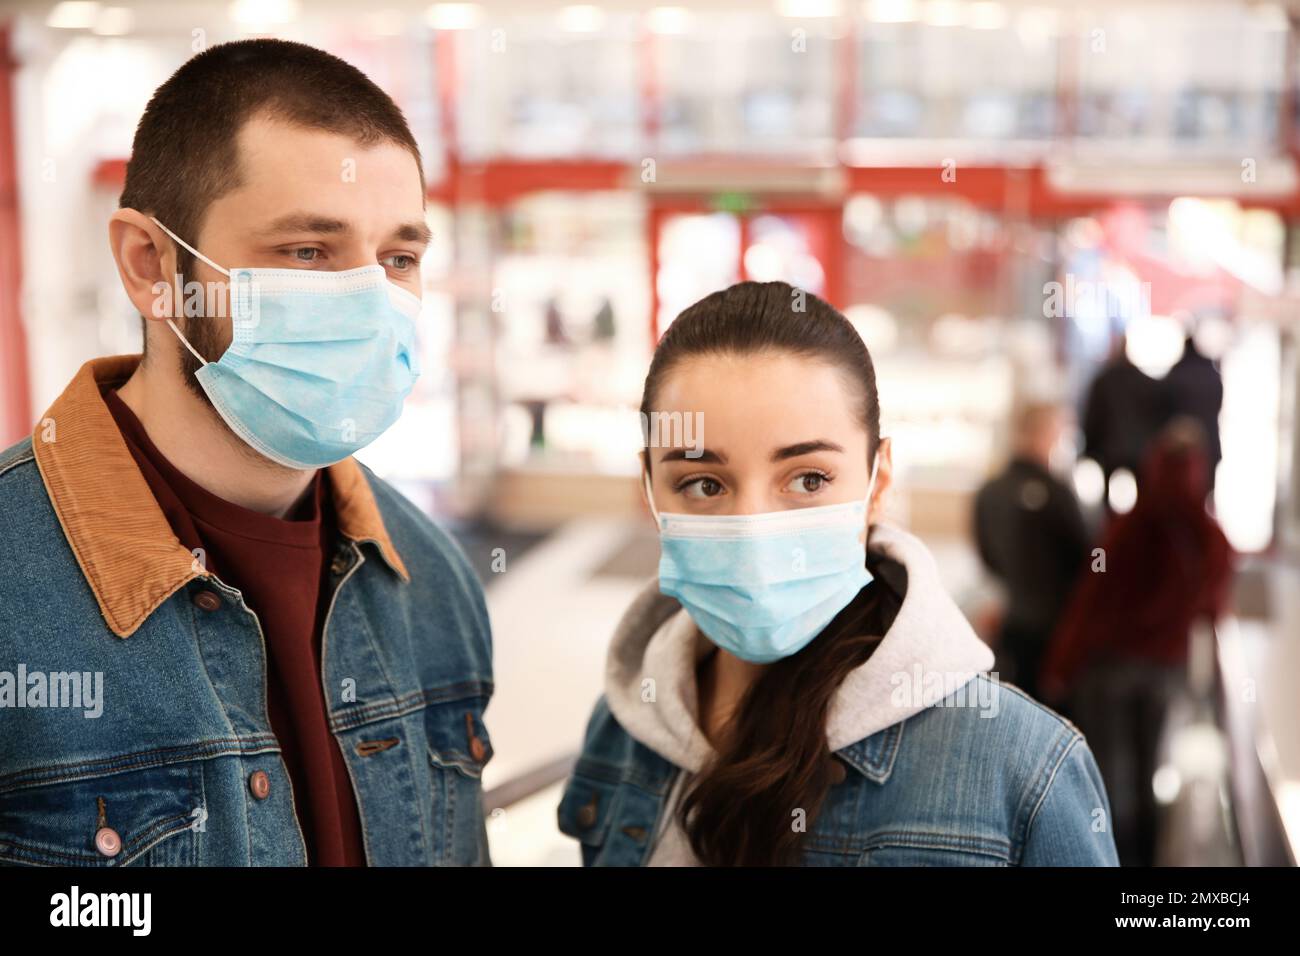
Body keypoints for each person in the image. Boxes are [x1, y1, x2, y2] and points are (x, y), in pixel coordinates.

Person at [0, 40, 493, 866]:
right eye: (308, 251)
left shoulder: (431, 578)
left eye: (398, 258)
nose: (372, 302)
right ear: (150, 265)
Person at [557, 281, 1118, 866]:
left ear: (877, 482)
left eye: (808, 479)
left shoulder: (1023, 769)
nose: (753, 529)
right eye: (704, 484)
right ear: (650, 487)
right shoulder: (623, 729)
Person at [1039, 417, 1235, 866]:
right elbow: (1212, 605)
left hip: (1109, 669)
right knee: (1151, 774)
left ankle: (1110, 858)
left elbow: (1092, 596)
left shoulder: (1125, 529)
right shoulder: (1210, 536)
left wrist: (1060, 664)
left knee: (1109, 778)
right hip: (1165, 667)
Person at [973, 401, 1090, 702]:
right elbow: (1090, 553)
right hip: (1057, 625)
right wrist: (1102, 572)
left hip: (1012, 618)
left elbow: (986, 555)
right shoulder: (1057, 490)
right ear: (1048, 434)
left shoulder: (989, 492)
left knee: (1017, 706)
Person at [1081, 329, 1169, 511]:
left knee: (1108, 506)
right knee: (1143, 504)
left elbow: (1093, 416)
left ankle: (1114, 533)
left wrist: (1089, 448)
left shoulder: (1103, 381)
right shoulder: (1144, 382)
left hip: (1110, 450)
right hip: (1140, 450)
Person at [1163, 326, 1223, 496]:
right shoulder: (1211, 373)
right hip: (1209, 439)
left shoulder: (1177, 373)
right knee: (1205, 490)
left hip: (1182, 444)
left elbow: (1167, 406)